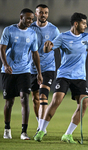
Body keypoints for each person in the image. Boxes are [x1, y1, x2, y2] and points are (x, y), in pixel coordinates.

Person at [34, 12, 88, 143]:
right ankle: (41, 130)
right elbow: (49, 49)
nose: (86, 25)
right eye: (84, 23)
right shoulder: (63, 37)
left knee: (84, 104)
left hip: (80, 77)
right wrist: (46, 47)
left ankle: (67, 134)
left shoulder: (86, 37)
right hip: (64, 75)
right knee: (56, 101)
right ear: (76, 24)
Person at [0, 8, 43, 140]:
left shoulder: (32, 34)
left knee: (25, 98)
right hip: (9, 71)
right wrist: (6, 65)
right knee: (10, 102)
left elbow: (35, 53)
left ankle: (24, 132)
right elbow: (2, 48)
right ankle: (7, 129)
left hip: (25, 70)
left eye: (32, 19)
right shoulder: (9, 30)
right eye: (28, 18)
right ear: (21, 17)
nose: (30, 21)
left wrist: (39, 73)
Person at [29, 4, 60, 136]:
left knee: (43, 97)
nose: (44, 15)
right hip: (32, 68)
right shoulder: (30, 28)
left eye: (46, 13)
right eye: (41, 12)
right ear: (36, 14)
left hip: (48, 67)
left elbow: (60, 44)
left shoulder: (54, 30)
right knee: (35, 98)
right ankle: (39, 124)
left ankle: (41, 128)